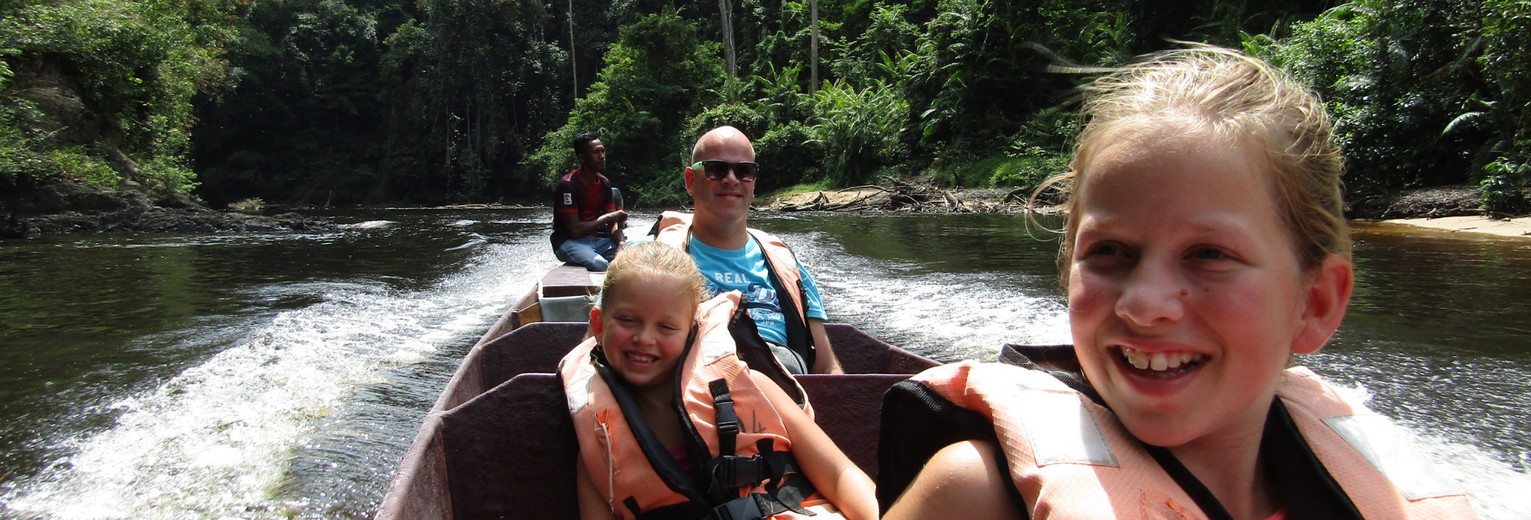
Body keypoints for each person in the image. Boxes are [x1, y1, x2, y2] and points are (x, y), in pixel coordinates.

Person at [875, 46, 1477, 519]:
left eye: (1209, 254)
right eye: (1109, 252)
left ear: (1315, 303)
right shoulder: (975, 494)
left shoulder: (1390, 485)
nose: (1145, 304)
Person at [559, 242, 877, 520]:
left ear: (691, 331)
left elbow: (840, 475)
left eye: (666, 327)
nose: (645, 338)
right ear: (599, 325)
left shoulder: (754, 386)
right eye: (628, 321)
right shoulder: (599, 440)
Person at [637, 125, 842, 375]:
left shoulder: (786, 265)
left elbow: (826, 367)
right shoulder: (644, 262)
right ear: (691, 181)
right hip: (691, 394)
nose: (731, 179)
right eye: (716, 169)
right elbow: (602, 347)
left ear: (753, 182)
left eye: (744, 171)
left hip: (786, 390)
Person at [552, 132, 627, 271]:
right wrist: (608, 217)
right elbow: (575, 231)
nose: (602, 156)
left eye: (603, 151)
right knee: (600, 264)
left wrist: (622, 244)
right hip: (568, 242)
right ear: (582, 157)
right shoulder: (568, 185)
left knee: (634, 255)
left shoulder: (604, 183)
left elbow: (612, 224)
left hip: (598, 241)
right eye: (596, 152)